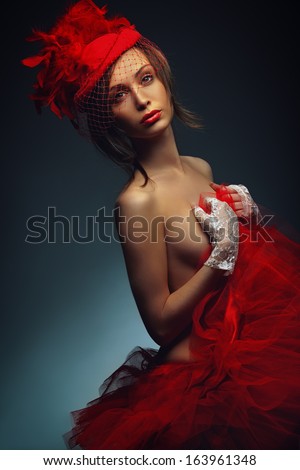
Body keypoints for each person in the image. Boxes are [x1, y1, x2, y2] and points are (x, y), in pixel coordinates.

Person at [22, 0, 300, 450]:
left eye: (145, 78)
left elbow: (247, 280)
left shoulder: (201, 167)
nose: (141, 99)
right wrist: (221, 258)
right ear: (107, 117)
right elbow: (161, 326)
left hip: (250, 358)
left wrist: (250, 220)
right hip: (199, 391)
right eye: (118, 94)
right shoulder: (137, 202)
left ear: (163, 79)